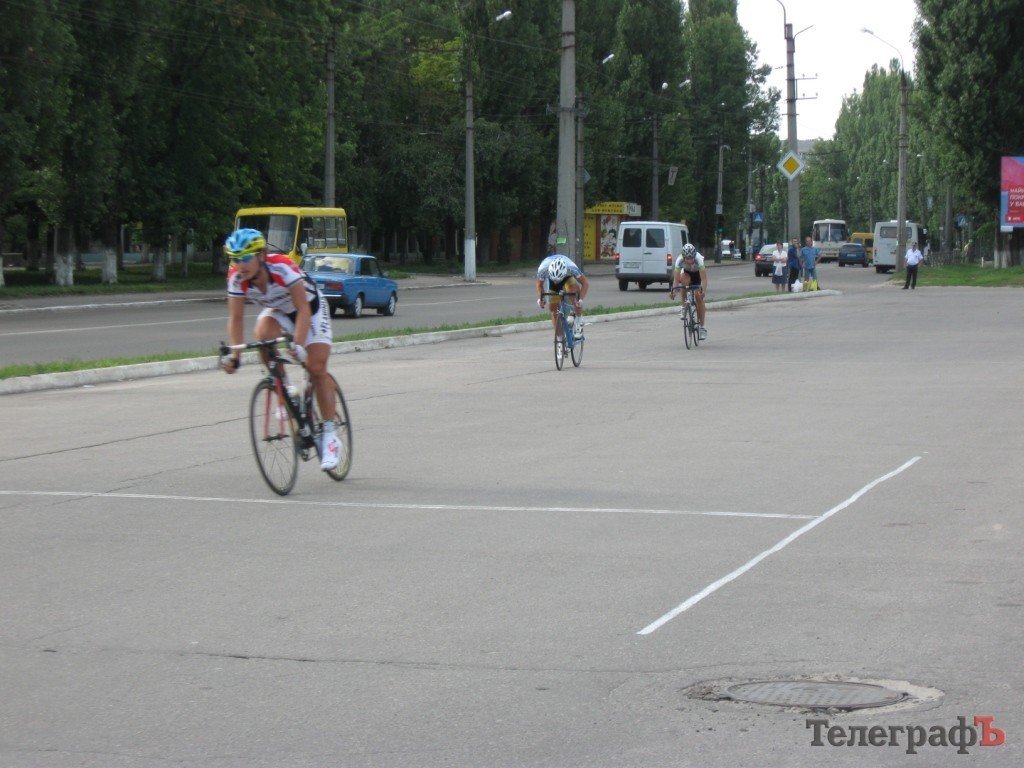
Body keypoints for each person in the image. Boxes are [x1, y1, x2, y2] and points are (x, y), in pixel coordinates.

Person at [221, 228, 342, 471]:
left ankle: (330, 435)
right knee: (262, 335)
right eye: (235, 258)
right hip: (280, 312)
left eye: (246, 257)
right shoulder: (236, 277)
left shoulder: (282, 267)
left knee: (316, 368)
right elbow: (236, 319)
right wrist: (235, 355)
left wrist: (297, 345)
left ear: (261, 255)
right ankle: (284, 388)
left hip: (310, 310)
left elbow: (303, 309)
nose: (240, 265)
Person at [536, 254, 589, 359]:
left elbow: (585, 284)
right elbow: (539, 285)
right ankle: (560, 340)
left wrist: (580, 300)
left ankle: (578, 321)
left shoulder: (571, 268)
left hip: (568, 278)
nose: (558, 281)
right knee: (553, 310)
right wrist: (541, 299)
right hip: (552, 281)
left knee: (574, 295)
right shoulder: (543, 269)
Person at [669, 243, 708, 340]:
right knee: (683, 282)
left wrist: (703, 291)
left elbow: (704, 279)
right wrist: (673, 291)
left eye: (691, 258)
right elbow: (676, 280)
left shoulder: (699, 259)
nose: (690, 261)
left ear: (694, 256)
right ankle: (683, 306)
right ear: (683, 257)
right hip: (686, 274)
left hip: (697, 275)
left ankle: (702, 327)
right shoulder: (679, 260)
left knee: (698, 296)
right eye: (687, 259)